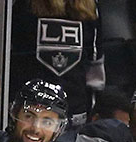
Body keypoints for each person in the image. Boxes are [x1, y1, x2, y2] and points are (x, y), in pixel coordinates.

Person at [10, 0, 104, 130]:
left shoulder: (91, 9)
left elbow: (95, 69)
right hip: (32, 113)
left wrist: (89, 115)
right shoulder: (25, 6)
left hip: (74, 116)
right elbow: (13, 61)